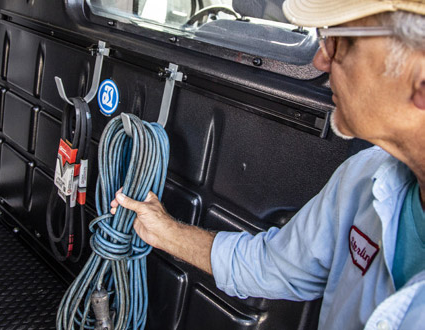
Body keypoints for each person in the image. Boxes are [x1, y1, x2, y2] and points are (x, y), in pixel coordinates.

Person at [110, 0, 425, 328]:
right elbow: (272, 265)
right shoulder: (363, 179)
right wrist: (164, 230)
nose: (320, 58)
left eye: (340, 41)